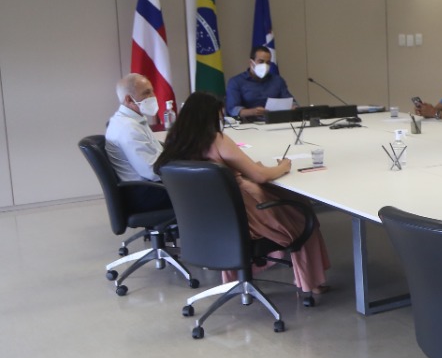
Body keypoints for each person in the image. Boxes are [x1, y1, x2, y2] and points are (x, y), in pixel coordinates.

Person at [153, 91, 330, 296]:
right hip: (241, 214)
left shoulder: (175, 142)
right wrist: (283, 166)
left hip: (207, 219)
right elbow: (259, 176)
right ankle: (312, 283)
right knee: (301, 214)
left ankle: (238, 278)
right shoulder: (217, 139)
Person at [103, 73, 172, 212]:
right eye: (146, 93)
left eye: (152, 91)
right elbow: (152, 171)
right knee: (205, 185)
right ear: (129, 99)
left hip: (147, 187)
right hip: (146, 193)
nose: (153, 96)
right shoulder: (128, 128)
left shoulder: (131, 121)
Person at [225, 45, 293, 120]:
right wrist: (252, 112)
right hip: (248, 124)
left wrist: (293, 107)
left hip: (275, 121)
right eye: (261, 62)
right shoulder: (236, 82)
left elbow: (289, 101)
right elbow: (232, 109)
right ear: (251, 62)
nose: (265, 65)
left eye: (268, 63)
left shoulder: (277, 80)